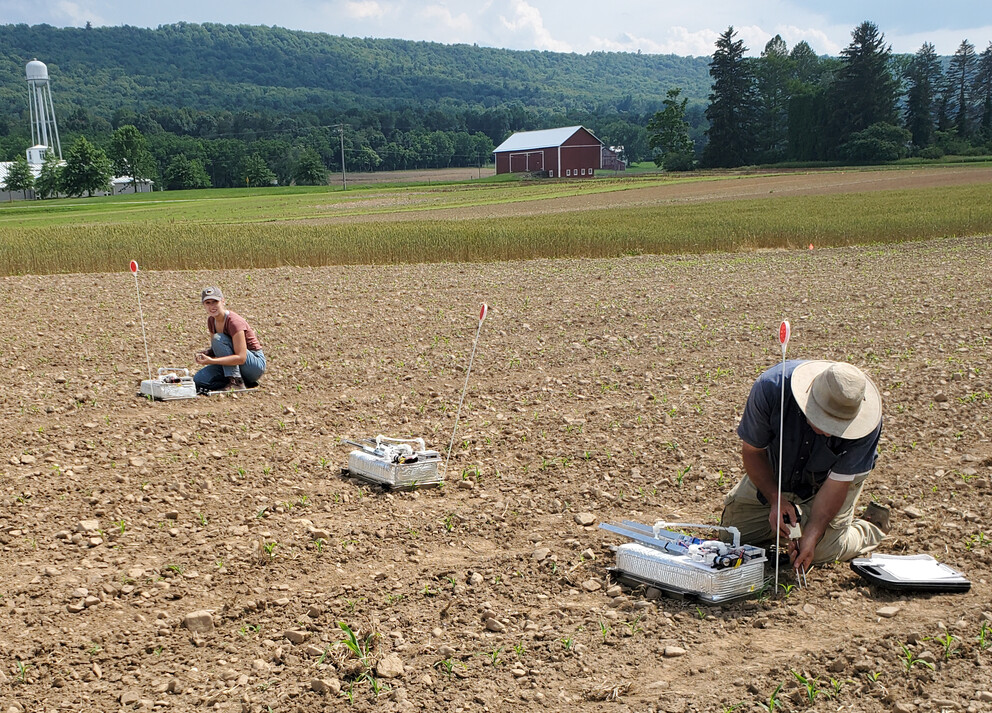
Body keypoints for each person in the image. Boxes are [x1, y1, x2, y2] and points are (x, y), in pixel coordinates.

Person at [721, 360, 890, 573]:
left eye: (838, 426)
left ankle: (870, 526)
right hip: (777, 468)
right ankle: (788, 522)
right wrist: (775, 499)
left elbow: (837, 484)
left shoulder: (867, 425)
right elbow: (753, 452)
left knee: (819, 551)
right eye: (824, 420)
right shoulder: (771, 388)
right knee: (732, 537)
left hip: (828, 481)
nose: (829, 432)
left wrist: (813, 533)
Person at [192, 286, 266, 393]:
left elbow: (241, 358)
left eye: (215, 302)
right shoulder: (211, 321)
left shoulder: (234, 322)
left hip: (253, 365)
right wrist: (208, 353)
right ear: (203, 305)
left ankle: (236, 381)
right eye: (208, 303)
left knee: (218, 338)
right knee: (199, 379)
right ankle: (241, 382)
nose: (212, 306)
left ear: (223, 301)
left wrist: (212, 361)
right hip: (234, 365)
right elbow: (220, 349)